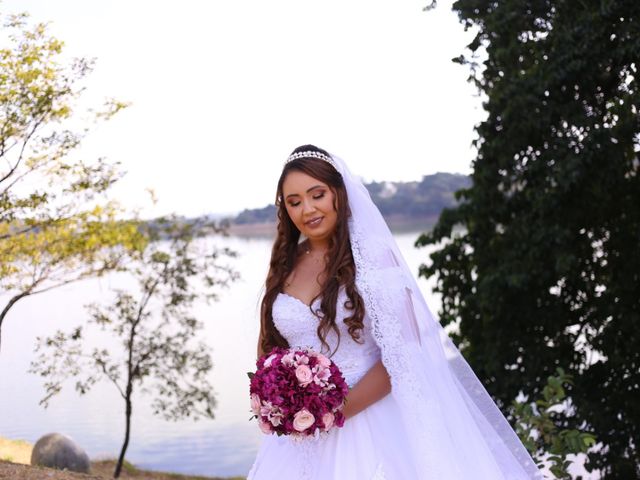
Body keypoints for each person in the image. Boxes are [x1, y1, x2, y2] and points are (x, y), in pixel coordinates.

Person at [247, 145, 543, 480]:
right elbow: (269, 350)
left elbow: (402, 355)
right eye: (294, 201)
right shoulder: (286, 264)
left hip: (370, 423)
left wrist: (331, 413)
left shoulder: (373, 257)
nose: (308, 209)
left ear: (339, 194)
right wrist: (273, 397)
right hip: (299, 438)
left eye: (317, 195)